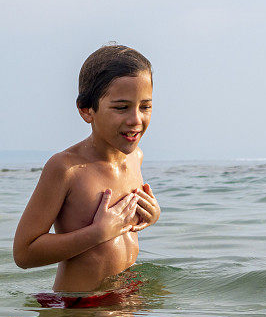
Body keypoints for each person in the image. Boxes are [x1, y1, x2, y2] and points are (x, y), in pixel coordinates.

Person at [13, 44, 160, 292]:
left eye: (145, 106)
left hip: (126, 300)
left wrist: (151, 215)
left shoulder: (136, 158)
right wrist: (97, 233)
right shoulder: (67, 168)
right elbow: (24, 253)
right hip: (80, 309)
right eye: (121, 107)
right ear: (86, 109)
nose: (136, 119)